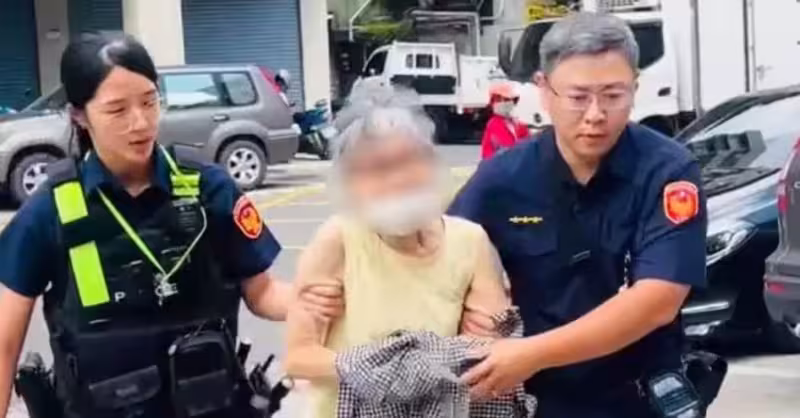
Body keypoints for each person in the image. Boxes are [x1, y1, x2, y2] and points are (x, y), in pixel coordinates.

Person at [0, 34, 340, 418]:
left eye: (149, 101)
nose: (140, 122)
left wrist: (314, 300)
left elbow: (262, 294)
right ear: (79, 115)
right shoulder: (51, 209)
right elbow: (5, 342)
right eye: (117, 110)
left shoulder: (208, 188)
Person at [448, 12, 708, 418]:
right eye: (578, 97)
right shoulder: (501, 179)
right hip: (536, 401)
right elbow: (438, 259)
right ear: (544, 90)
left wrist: (531, 354)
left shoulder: (667, 172)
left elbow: (658, 300)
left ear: (635, 88)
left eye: (613, 95)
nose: (595, 114)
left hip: (635, 397)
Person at [283, 83, 510, 417]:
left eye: (408, 160)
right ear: (350, 182)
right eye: (376, 169)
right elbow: (299, 358)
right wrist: (399, 369)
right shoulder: (338, 238)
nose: (397, 180)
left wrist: (448, 356)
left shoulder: (470, 240)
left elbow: (490, 348)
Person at [480, 82, 530, 159]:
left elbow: (528, 145)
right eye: (498, 100)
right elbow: (508, 148)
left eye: (507, 100)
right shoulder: (494, 124)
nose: (503, 103)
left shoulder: (518, 124)